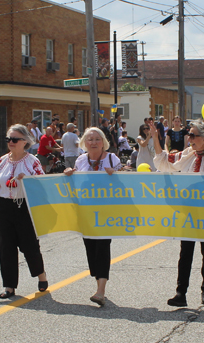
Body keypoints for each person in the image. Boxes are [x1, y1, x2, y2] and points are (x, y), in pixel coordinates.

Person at [151, 120, 204, 307]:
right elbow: (165, 162)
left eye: (193, 135)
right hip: (188, 211)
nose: (189, 138)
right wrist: (156, 138)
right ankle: (181, 293)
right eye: (189, 134)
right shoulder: (188, 154)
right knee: (185, 252)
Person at [0, 124, 48, 299]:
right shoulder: (2, 161)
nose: (10, 142)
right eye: (8, 139)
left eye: (14, 139)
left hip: (24, 206)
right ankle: (9, 286)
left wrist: (28, 180)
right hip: (4, 207)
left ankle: (41, 275)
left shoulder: (32, 161)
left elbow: (42, 184)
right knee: (6, 247)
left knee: (29, 245)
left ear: (25, 141)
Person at [64, 127, 122, 306]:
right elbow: (77, 180)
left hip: (106, 212)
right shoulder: (81, 160)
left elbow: (126, 184)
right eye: (90, 139)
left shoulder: (113, 159)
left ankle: (100, 291)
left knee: (102, 247)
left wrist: (116, 175)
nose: (94, 142)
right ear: (84, 143)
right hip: (86, 211)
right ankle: (98, 279)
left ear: (103, 141)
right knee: (90, 247)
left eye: (97, 139)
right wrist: (69, 173)